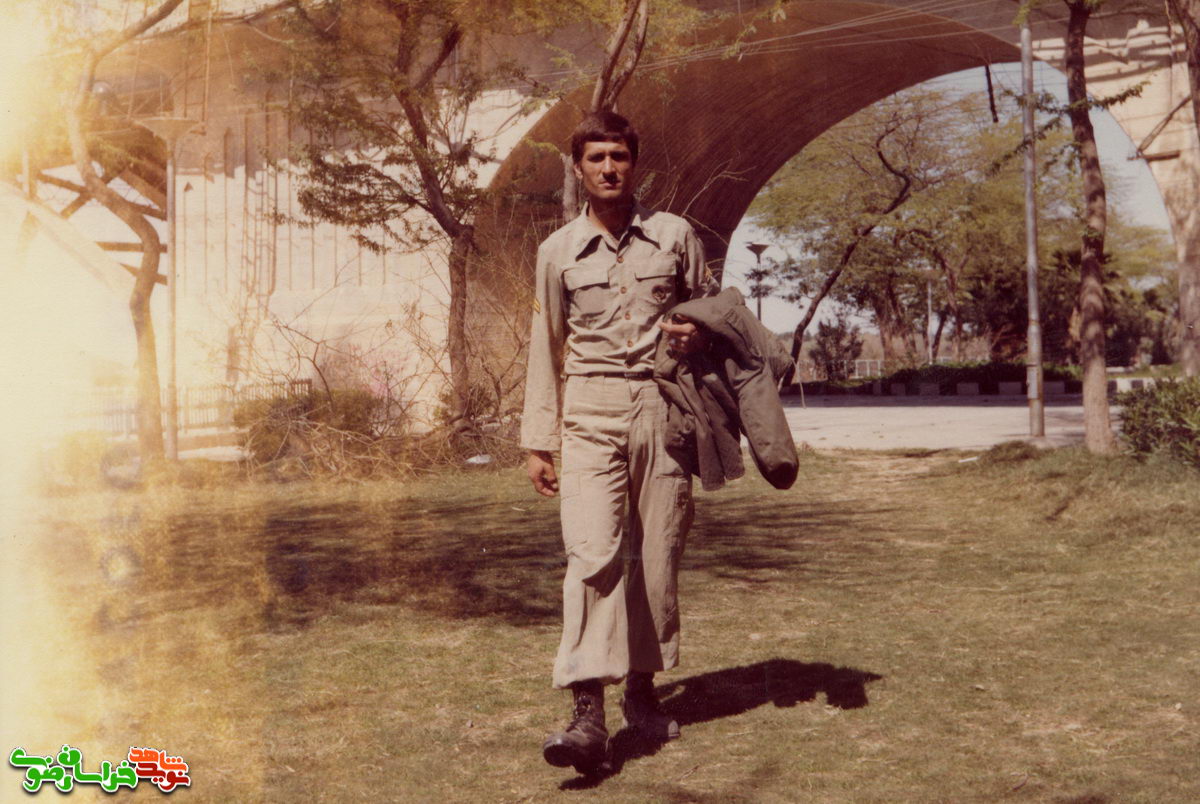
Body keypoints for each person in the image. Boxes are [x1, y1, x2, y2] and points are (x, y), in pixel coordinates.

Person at [519, 110, 714, 774]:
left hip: (663, 408)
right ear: (578, 169)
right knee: (592, 556)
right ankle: (587, 713)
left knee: (655, 558)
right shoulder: (557, 252)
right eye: (596, 158)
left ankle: (641, 691)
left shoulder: (675, 236)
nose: (609, 168)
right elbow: (545, 346)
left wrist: (698, 335)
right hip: (589, 411)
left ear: (635, 164)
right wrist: (538, 441)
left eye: (619, 157)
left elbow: (714, 315)